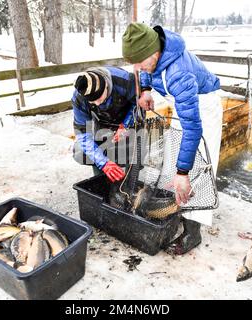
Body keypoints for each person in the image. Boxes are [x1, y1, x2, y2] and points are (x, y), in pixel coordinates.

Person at [122, 23, 223, 255]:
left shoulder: (179, 74)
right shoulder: (153, 53)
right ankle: (179, 206)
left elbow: (193, 129)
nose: (136, 69)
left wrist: (183, 173)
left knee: (198, 168)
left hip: (204, 107)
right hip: (183, 103)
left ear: (154, 52)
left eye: (138, 62)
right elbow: (147, 70)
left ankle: (192, 231)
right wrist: (146, 90)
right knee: (174, 157)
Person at [72, 66, 137, 183]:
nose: (97, 104)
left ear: (106, 86)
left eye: (99, 99)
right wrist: (103, 162)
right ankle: (103, 179)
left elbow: (138, 104)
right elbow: (82, 133)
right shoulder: (79, 96)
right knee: (80, 151)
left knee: (134, 150)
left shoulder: (125, 81)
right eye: (92, 102)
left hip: (127, 119)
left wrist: (126, 124)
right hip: (102, 123)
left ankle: (130, 182)